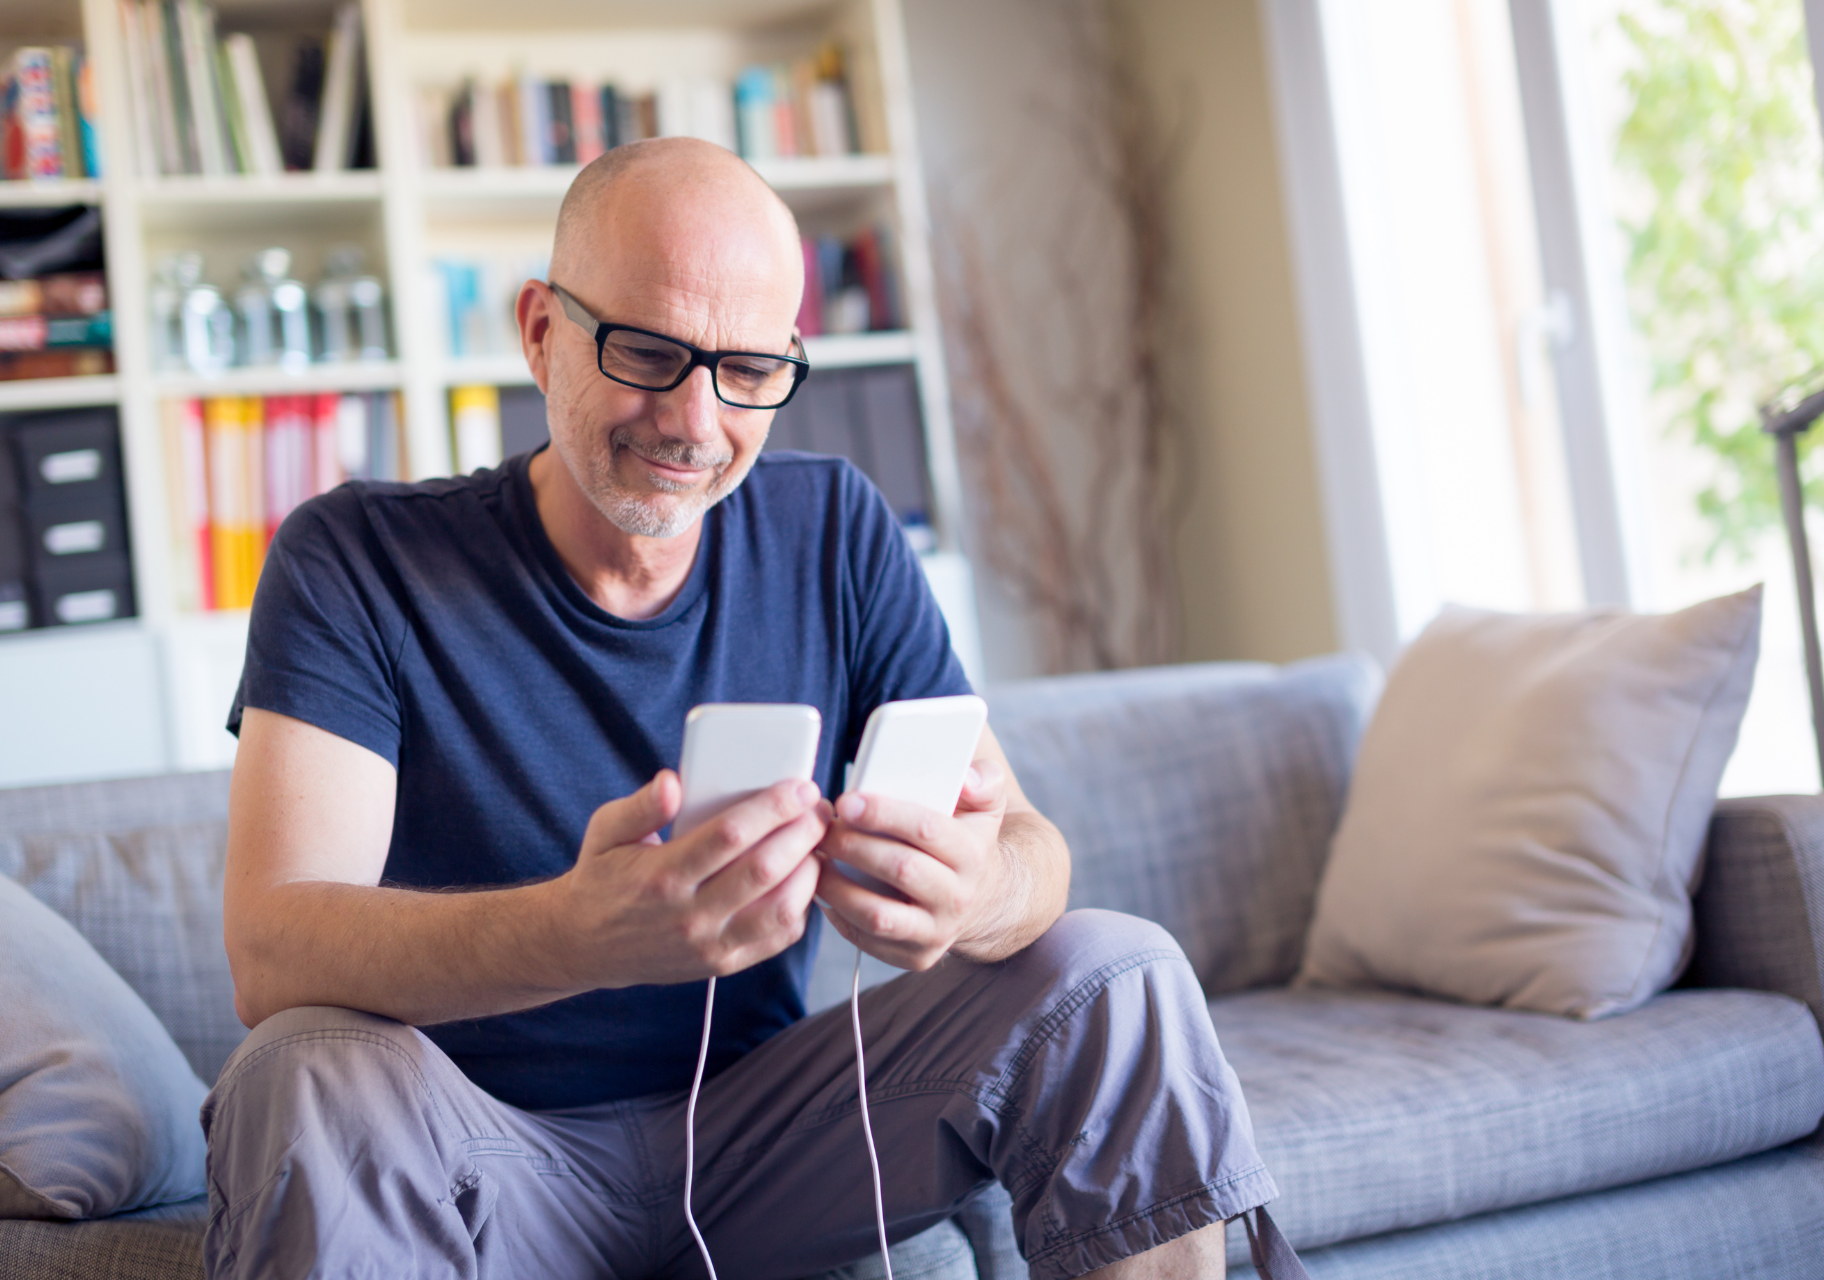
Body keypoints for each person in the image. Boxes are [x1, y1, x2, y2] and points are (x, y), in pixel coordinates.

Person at [207, 137, 1300, 1280]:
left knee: (1117, 968)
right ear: (540, 332)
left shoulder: (833, 526)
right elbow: (272, 944)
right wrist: (577, 931)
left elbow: (1032, 847)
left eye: (746, 368)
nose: (694, 418)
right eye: (647, 350)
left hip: (760, 1145)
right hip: (470, 1151)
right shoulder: (356, 556)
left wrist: (973, 890)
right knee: (301, 1064)